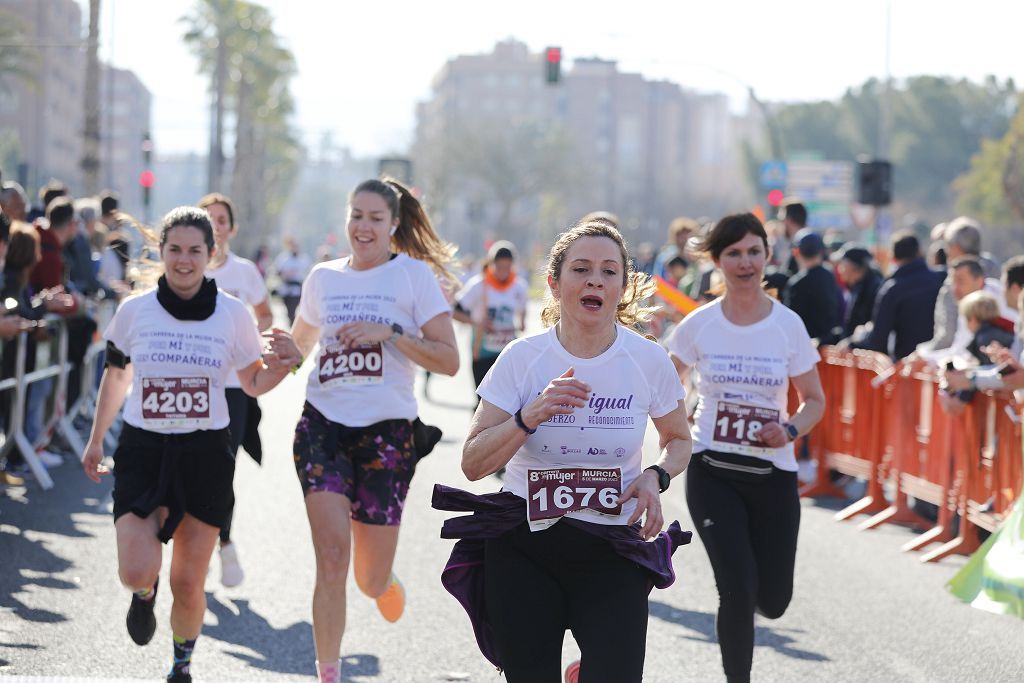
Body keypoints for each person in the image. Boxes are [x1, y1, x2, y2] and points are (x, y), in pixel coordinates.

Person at [435, 219, 693, 683]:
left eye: (608, 271)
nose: (595, 279)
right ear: (555, 284)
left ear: (623, 286)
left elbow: (677, 440)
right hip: (525, 547)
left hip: (611, 546)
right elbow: (473, 463)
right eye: (581, 268)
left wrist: (657, 476)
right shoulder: (522, 358)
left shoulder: (648, 360)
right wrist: (527, 417)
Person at [79, 207, 298, 683]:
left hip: (205, 455)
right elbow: (116, 377)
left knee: (188, 580)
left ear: (210, 253)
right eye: (174, 249)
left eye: (194, 250)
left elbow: (253, 383)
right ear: (161, 252)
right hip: (143, 449)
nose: (183, 260)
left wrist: (286, 366)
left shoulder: (234, 315)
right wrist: (97, 440)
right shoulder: (135, 311)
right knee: (137, 571)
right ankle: (143, 595)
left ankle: (182, 665)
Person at [281, 177, 459, 683]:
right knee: (332, 556)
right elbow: (299, 350)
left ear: (394, 225)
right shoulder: (322, 278)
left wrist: (393, 333)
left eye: (375, 218)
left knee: (368, 578)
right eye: (356, 215)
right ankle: (329, 674)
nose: (363, 227)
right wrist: (280, 356)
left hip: (386, 436)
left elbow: (448, 360)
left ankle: (382, 580)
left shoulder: (413, 278)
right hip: (323, 429)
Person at [665, 212, 825, 683]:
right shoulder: (699, 325)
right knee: (735, 589)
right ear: (717, 261)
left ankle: (758, 590)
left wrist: (790, 431)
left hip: (772, 473)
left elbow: (814, 400)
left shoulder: (787, 326)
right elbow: (664, 387)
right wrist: (678, 421)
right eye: (733, 253)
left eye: (754, 251)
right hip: (712, 469)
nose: (745, 261)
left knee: (772, 602)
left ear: (767, 256)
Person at [198, 192, 275, 588]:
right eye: (207, 218)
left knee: (224, 468)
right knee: (190, 466)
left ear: (231, 227)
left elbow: (265, 314)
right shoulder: (186, 266)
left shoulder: (244, 272)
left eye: (221, 219)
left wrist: (254, 346)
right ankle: (198, 544)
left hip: (234, 387)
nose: (215, 225)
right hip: (192, 384)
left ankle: (224, 542)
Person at [847, 231, 944, 361]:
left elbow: (878, 340)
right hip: (939, 362)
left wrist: (855, 342)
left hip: (906, 366)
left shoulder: (892, 289)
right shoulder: (941, 279)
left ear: (893, 258)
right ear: (919, 252)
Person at [453, 240, 527, 402]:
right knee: (482, 400)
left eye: (507, 268)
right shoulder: (479, 285)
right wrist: (476, 322)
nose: (503, 272)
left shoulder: (519, 287)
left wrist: (522, 321)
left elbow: (523, 307)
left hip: (508, 352)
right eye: (499, 267)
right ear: (491, 264)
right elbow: (454, 311)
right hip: (483, 352)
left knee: (507, 402)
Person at [782, 228, 842, 345]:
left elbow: (790, 325)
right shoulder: (829, 276)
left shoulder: (796, 283)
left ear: (797, 252)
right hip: (829, 347)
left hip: (805, 348)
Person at [833, 244, 883, 340]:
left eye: (842, 263)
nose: (839, 268)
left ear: (853, 266)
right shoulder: (856, 286)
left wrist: (851, 342)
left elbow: (873, 327)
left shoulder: (875, 288)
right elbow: (849, 329)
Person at [272, 236, 311, 324]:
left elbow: (308, 272)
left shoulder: (304, 258)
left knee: (296, 309)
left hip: (298, 288)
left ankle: (294, 326)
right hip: (286, 289)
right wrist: (284, 274)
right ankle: (291, 323)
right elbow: (277, 271)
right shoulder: (283, 258)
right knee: (289, 311)